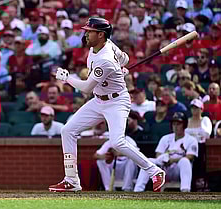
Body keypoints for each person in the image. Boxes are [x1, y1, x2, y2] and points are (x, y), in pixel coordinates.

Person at [49, 17, 165, 192]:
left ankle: (154, 171)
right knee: (67, 130)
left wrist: (67, 78)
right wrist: (119, 68)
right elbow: (125, 59)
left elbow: (86, 88)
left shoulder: (105, 59)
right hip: (99, 100)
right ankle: (71, 179)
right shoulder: (107, 45)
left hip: (117, 102)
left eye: (90, 31)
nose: (86, 34)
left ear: (101, 34)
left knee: (117, 142)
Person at [134, 112, 198, 192]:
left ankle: (185, 190)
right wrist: (164, 159)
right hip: (165, 168)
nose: (175, 126)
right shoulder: (165, 138)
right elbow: (158, 154)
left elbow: (190, 156)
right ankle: (138, 190)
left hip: (178, 170)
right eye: (174, 124)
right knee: (148, 161)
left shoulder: (191, 140)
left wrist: (173, 160)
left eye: (178, 124)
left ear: (184, 125)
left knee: (185, 161)